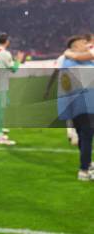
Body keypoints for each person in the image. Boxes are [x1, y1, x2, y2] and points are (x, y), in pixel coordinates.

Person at [56, 35, 94, 180]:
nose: (87, 45)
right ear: (76, 47)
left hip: (78, 106)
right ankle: (84, 170)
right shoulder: (74, 63)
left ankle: (87, 164)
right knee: (86, 137)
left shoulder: (69, 61)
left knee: (84, 137)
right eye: (84, 43)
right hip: (84, 105)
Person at [0, 33, 24, 145]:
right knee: (0, 109)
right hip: (0, 85)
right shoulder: (4, 53)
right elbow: (13, 69)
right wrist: (18, 60)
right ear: (7, 41)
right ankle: (0, 137)